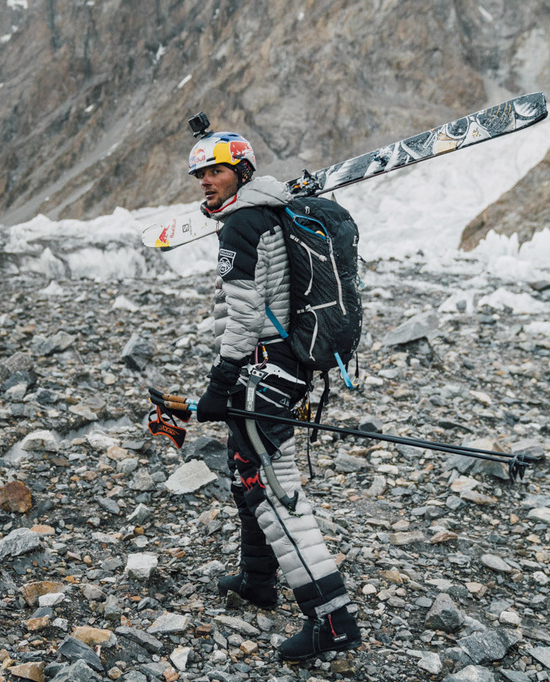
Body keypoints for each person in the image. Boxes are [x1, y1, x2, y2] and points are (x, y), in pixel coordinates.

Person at [187, 129, 362, 661]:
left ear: (241, 172)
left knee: (275, 489)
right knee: (248, 476)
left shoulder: (241, 225)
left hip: (261, 373)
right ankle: (258, 581)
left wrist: (220, 385)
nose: (205, 182)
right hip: (285, 369)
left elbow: (243, 315)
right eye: (199, 174)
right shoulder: (272, 212)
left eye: (214, 171)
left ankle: (333, 622)